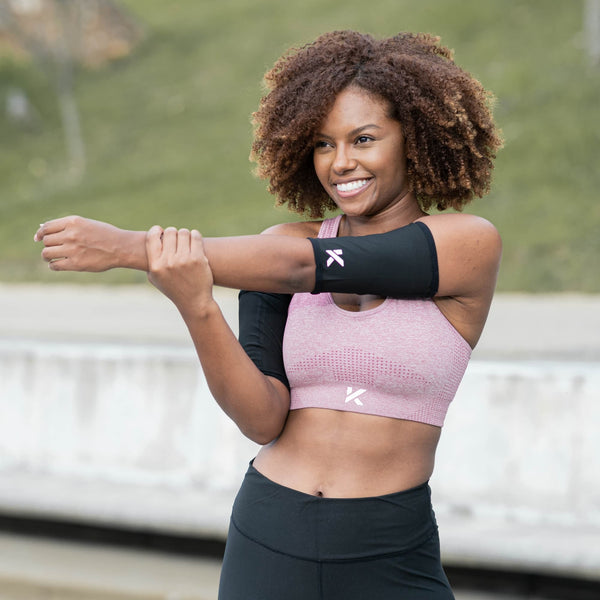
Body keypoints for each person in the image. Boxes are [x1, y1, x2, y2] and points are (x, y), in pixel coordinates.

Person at [34, 31, 503, 599]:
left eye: (364, 139)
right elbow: (261, 419)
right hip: (269, 532)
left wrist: (129, 248)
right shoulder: (272, 250)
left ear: (415, 139)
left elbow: (306, 268)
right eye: (324, 145)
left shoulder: (464, 244)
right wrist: (198, 304)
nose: (342, 162)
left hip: (389, 549)